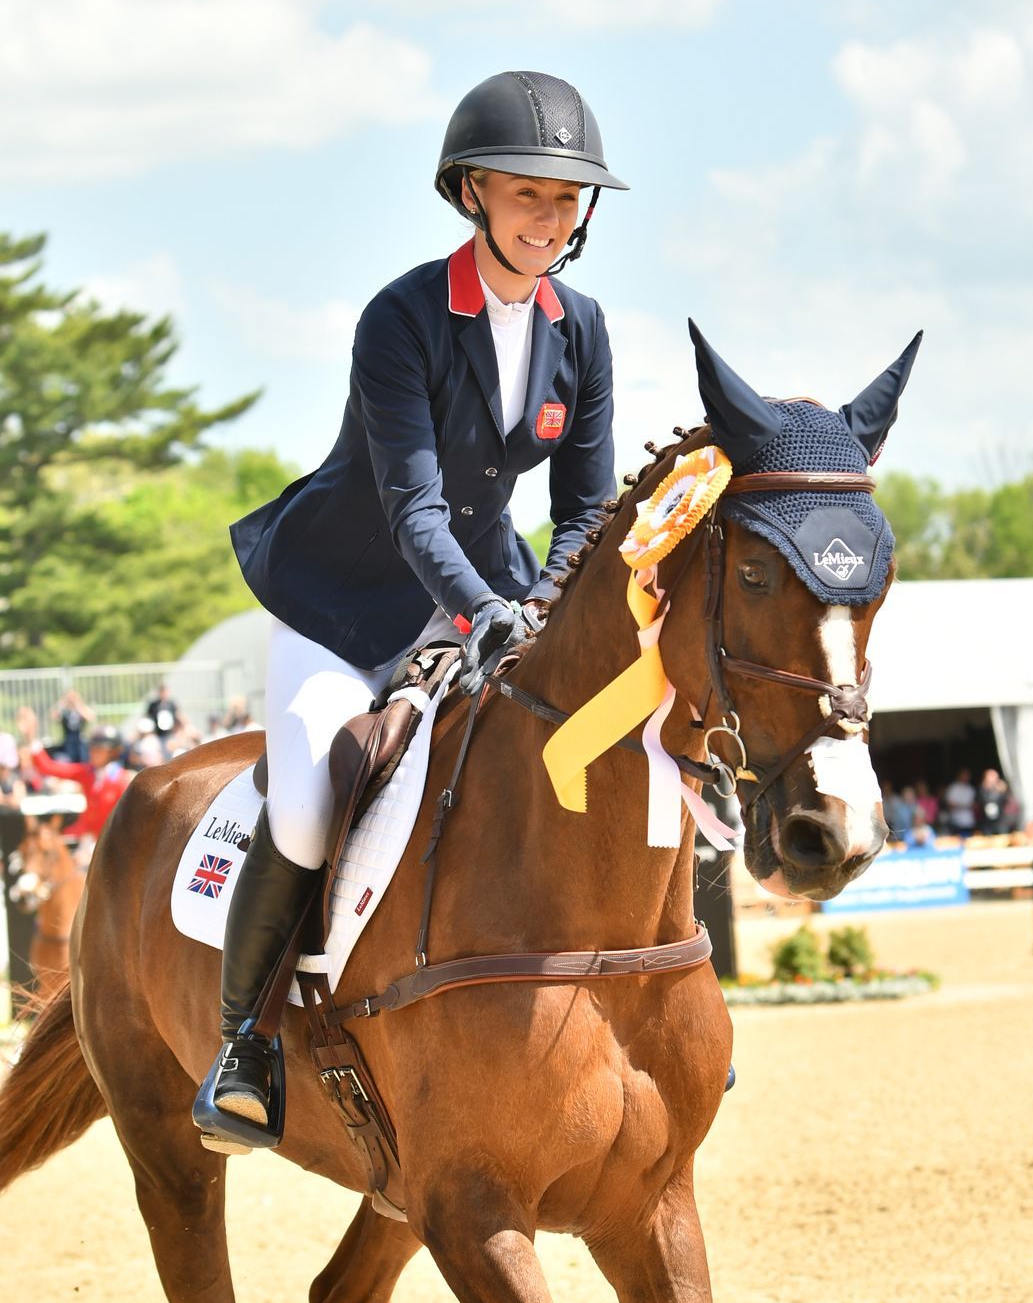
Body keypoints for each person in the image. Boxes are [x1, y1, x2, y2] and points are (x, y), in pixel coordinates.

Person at [193, 70, 628, 1152]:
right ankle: (243, 1044)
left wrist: (542, 602)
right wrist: (483, 614)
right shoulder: (403, 317)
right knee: (307, 802)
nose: (551, 217)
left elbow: (587, 507)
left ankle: (645, 1004)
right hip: (346, 601)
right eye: (527, 193)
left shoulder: (582, 328)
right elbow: (412, 508)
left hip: (491, 590)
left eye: (566, 197)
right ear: (471, 190)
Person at [22, 725, 132, 865]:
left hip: (111, 842)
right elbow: (49, 767)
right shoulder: (86, 773)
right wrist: (31, 738)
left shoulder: (123, 780)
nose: (92, 752)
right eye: (92, 748)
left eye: (98, 749)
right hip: (85, 838)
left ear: (112, 752)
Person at [943, 767, 976, 837]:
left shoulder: (971, 789)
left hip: (968, 822)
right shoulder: (953, 788)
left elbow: (974, 805)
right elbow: (949, 804)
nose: (965, 777)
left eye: (967, 775)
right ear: (959, 775)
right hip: (955, 822)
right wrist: (964, 805)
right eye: (964, 775)